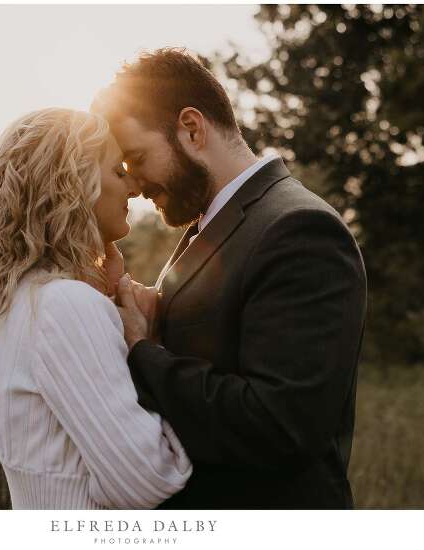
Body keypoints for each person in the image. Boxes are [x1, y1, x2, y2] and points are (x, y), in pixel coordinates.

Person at [94, 48, 367, 509]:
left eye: (137, 158)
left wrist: (146, 351)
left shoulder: (300, 230)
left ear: (192, 128)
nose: (135, 185)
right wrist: (156, 324)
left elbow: (279, 425)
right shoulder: (215, 224)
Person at [0, 107, 192, 509]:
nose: (134, 187)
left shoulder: (19, 298)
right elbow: (149, 480)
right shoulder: (65, 305)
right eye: (118, 171)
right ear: (75, 184)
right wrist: (148, 342)